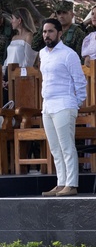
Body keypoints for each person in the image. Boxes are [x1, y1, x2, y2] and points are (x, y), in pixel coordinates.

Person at [38, 18, 88, 197]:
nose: (46, 35)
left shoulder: (69, 54)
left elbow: (80, 81)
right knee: (55, 148)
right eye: (44, 32)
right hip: (48, 106)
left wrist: (77, 102)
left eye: (50, 31)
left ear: (59, 33)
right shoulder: (43, 53)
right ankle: (61, 183)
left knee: (67, 146)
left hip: (64, 104)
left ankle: (72, 184)